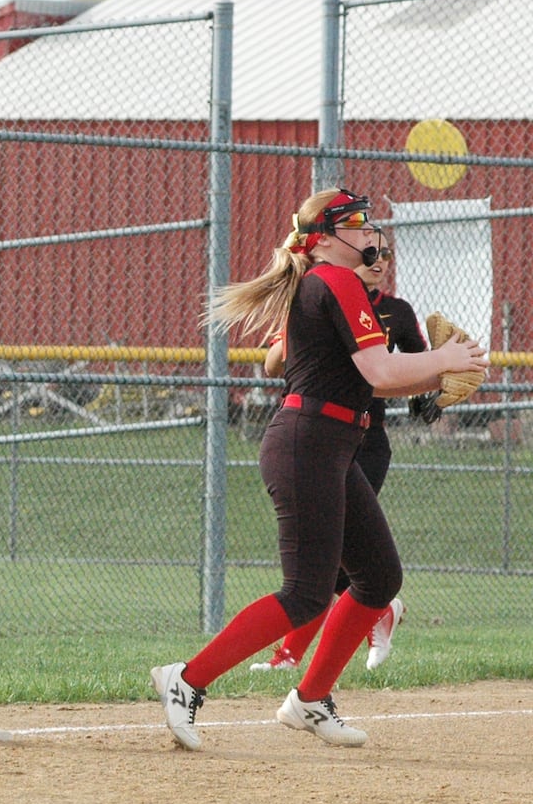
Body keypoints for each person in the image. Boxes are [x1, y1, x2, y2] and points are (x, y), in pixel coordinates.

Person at [152, 188, 486, 750]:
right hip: (307, 443)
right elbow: (380, 372)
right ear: (326, 238)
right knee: (306, 592)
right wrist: (444, 360)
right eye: (355, 224)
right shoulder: (333, 280)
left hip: (332, 445)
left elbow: (370, 376)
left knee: (378, 579)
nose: (369, 234)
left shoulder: (342, 284)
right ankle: (185, 680)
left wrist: (444, 375)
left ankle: (308, 699)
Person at [251, 247, 427, 673]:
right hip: (321, 435)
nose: (379, 260)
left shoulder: (396, 311)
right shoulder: (321, 297)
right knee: (336, 561)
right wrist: (292, 333)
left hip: (367, 440)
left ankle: (290, 658)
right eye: (370, 251)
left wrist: (430, 390)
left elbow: (413, 364)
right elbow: (274, 363)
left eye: (385, 253)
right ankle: (376, 613)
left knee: (334, 563)